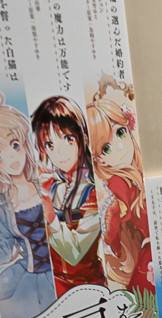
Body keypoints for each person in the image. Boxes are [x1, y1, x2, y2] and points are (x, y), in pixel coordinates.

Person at [0, 97, 56, 318]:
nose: (10, 158)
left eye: (14, 145)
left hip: (66, 270)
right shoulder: (1, 203)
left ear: (24, 141)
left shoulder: (47, 183)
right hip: (30, 280)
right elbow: (2, 248)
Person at [31, 95, 106, 294]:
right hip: (53, 287)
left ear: (83, 139)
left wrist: (48, 211)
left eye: (68, 139)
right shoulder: (54, 188)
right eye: (50, 145)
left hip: (88, 289)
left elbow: (74, 253)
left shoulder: (93, 193)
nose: (59, 153)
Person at [86, 79, 152, 293]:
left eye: (121, 133)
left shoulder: (139, 174)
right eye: (106, 148)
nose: (120, 146)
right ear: (99, 159)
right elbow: (113, 231)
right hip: (149, 259)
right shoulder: (119, 185)